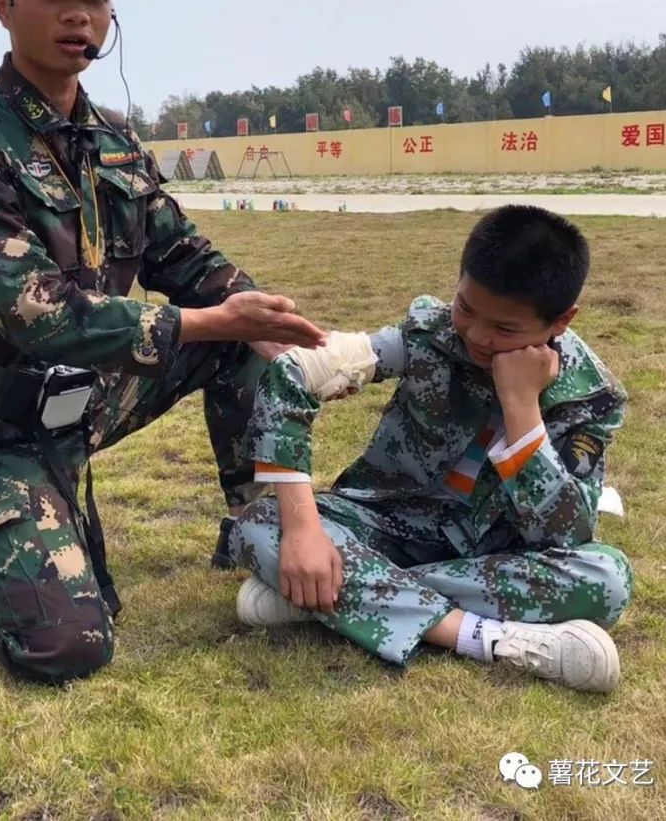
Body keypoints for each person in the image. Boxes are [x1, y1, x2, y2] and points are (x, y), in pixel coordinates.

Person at [0, 0, 325, 685]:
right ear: (3, 4)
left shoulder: (116, 141)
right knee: (71, 645)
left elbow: (182, 253)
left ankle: (258, 532)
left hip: (87, 400)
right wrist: (203, 319)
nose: (77, 14)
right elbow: (38, 314)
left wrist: (255, 313)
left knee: (240, 341)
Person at [230, 205, 631, 692]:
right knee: (263, 522)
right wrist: (301, 531)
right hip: (390, 522)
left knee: (606, 580)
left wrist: (522, 409)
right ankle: (490, 638)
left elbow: (563, 534)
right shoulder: (428, 333)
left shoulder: (591, 396)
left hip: (496, 551)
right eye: (466, 308)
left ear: (561, 321)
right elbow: (295, 372)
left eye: (505, 329)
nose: (477, 336)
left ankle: (333, 595)